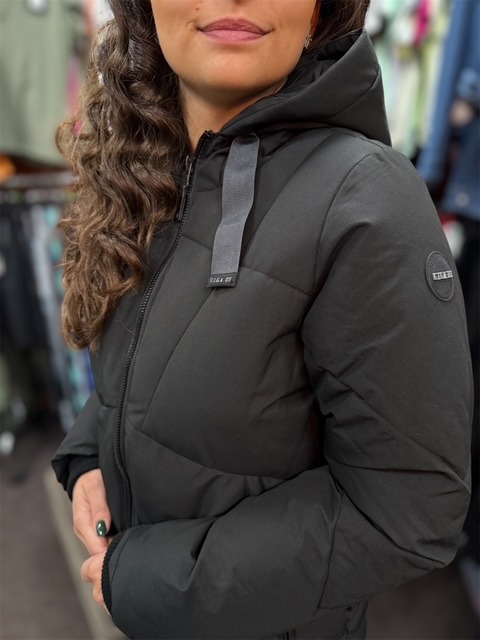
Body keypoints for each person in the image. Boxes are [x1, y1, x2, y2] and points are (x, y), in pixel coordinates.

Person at [51, 1, 473, 638]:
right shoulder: (148, 164)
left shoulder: (367, 202)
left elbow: (409, 510)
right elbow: (151, 357)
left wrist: (149, 580)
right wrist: (89, 453)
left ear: (320, 11)